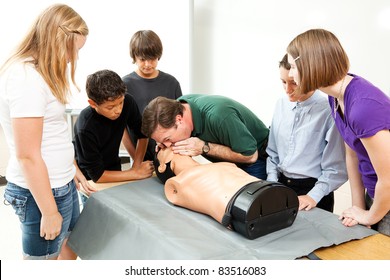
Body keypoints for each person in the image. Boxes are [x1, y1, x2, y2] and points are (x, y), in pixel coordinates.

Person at [0, 4, 89, 260]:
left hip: (61, 183)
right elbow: (27, 155)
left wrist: (71, 169)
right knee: (42, 263)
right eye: (73, 51)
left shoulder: (41, 72)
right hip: (43, 192)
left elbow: (55, 130)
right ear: (57, 40)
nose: (74, 58)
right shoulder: (25, 77)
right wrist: (49, 212)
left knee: (73, 246)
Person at [286, 28, 390, 235]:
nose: (290, 74)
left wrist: (370, 216)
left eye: (293, 66)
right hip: (377, 195)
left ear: (310, 64)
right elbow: (352, 153)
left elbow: (389, 179)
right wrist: (357, 208)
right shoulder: (335, 98)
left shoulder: (363, 107)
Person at [266, 54, 347, 212]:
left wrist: (313, 196)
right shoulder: (280, 104)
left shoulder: (330, 111)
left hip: (313, 192)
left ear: (310, 78)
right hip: (279, 184)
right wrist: (271, 182)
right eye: (283, 82)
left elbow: (337, 169)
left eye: (293, 83)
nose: (287, 90)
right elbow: (273, 152)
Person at [142, 94, 270, 179]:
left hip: (259, 158)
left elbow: (251, 156)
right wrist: (162, 141)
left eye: (168, 139)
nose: (168, 145)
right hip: (231, 163)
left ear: (179, 120)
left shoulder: (219, 117)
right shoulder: (178, 108)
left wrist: (205, 147)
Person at [73, 69, 154, 190]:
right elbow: (97, 176)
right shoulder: (85, 127)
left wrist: (136, 167)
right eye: (110, 107)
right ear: (93, 103)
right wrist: (135, 174)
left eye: (120, 102)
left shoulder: (128, 102)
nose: (118, 110)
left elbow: (142, 134)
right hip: (90, 181)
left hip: (114, 168)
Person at [155, 147, 259, 224]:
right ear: (162, 167)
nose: (171, 144)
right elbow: (209, 200)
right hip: (242, 201)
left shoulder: (216, 166)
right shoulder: (181, 182)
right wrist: (224, 213)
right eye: (164, 148)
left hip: (259, 188)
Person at [122, 30, 182, 161]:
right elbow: (122, 129)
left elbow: (180, 122)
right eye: (142, 59)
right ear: (134, 57)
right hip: (139, 155)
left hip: (169, 153)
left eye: (152, 59)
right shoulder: (125, 85)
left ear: (158, 56)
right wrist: (137, 160)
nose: (148, 64)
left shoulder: (171, 83)